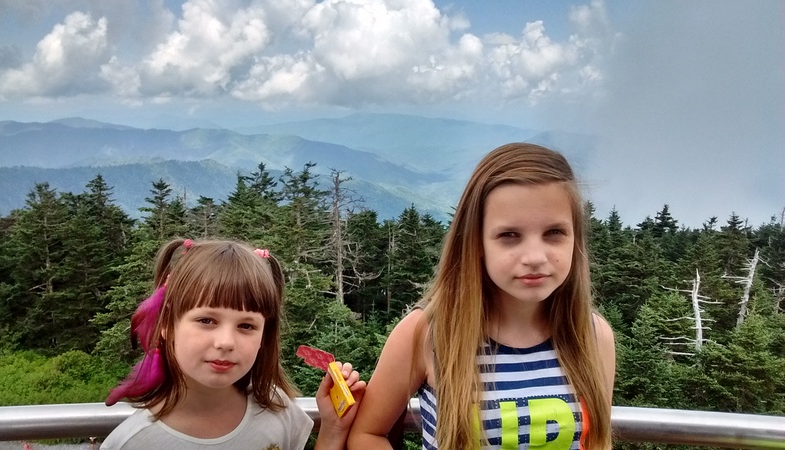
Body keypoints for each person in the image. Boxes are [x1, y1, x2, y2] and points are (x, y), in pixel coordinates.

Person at [348, 143, 615, 450]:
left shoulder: (592, 336)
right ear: (476, 243)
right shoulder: (430, 333)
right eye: (509, 235)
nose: (534, 257)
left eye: (554, 232)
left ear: (575, 238)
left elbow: (598, 442)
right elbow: (367, 434)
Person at [101, 238, 365, 450]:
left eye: (246, 326)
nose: (226, 342)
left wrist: (333, 428)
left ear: (264, 335)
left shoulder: (277, 410)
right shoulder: (133, 442)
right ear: (167, 323)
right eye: (206, 320)